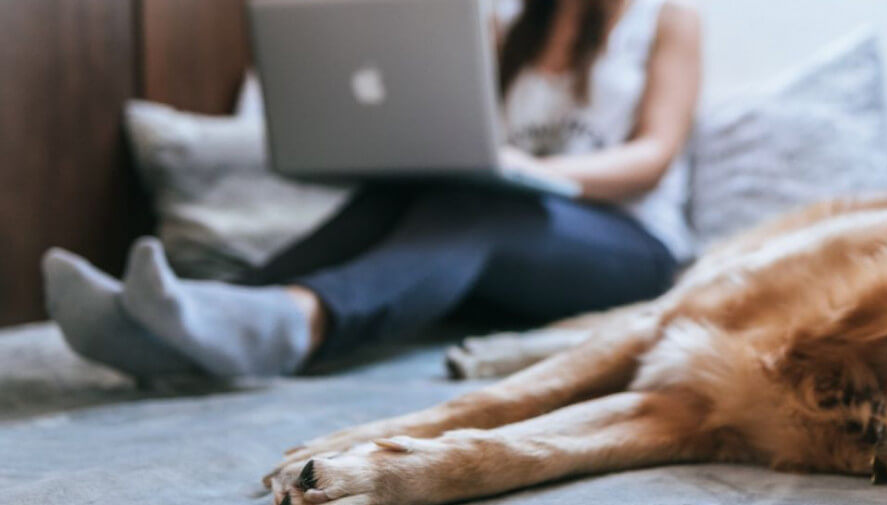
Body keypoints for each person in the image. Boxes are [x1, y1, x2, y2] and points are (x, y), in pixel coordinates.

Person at [42, 0, 701, 378]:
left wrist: (535, 174)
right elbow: (468, 133)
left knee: (478, 206)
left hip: (631, 247)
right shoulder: (510, 24)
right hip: (512, 229)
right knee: (419, 194)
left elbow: (654, 155)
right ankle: (193, 318)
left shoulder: (667, 16)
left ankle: (294, 323)